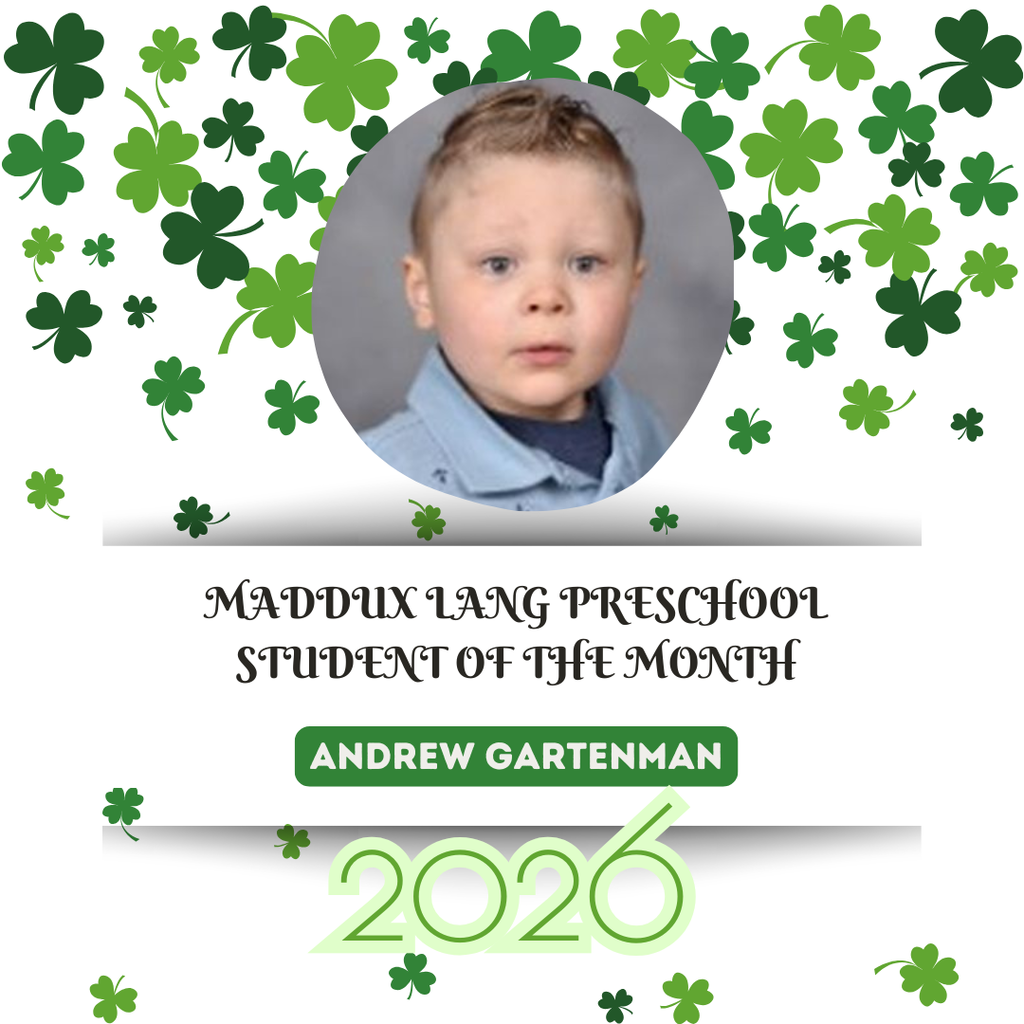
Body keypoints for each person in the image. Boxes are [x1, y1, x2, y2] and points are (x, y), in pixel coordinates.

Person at [359, 83, 671, 511]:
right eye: (499, 265)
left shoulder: (649, 437)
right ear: (423, 292)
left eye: (585, 264)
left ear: (633, 285)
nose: (546, 298)